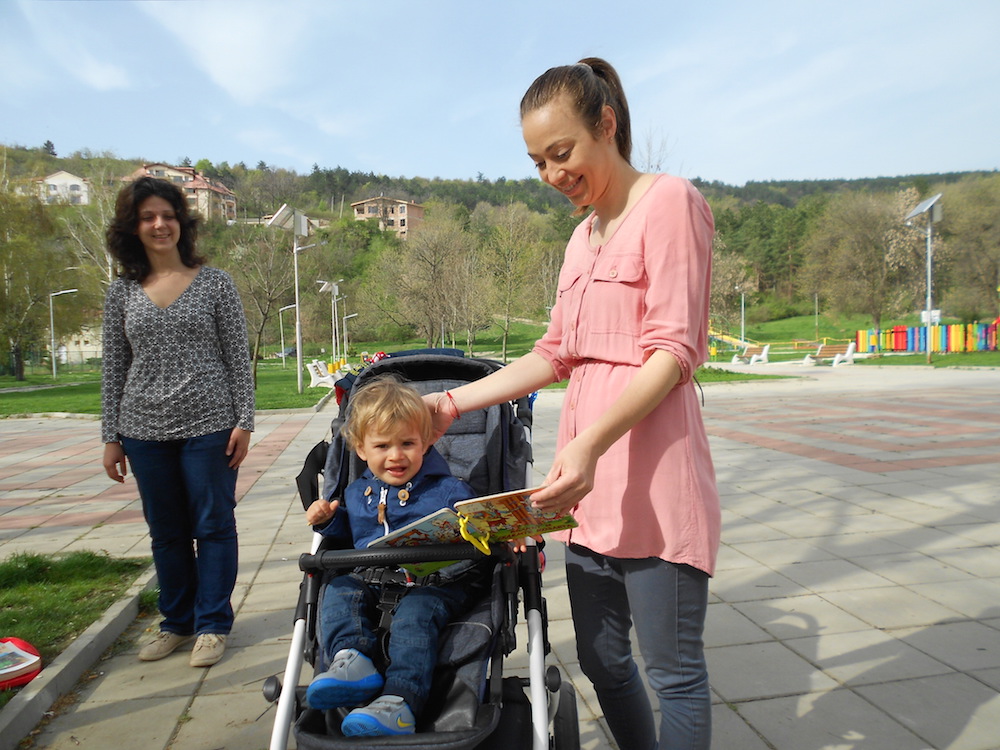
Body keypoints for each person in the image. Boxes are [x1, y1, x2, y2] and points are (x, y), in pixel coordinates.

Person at [425, 58, 719, 750]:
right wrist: (449, 404)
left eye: (562, 153)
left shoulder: (670, 202)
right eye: (537, 163)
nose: (553, 175)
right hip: (584, 490)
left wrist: (590, 445)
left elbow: (674, 353)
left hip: (650, 476)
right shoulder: (580, 239)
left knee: (672, 672)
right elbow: (555, 353)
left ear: (606, 126)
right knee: (601, 660)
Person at [101, 176, 255, 669]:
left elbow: (237, 358)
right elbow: (113, 367)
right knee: (166, 532)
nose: (159, 224)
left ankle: (212, 624)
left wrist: (245, 420)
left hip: (210, 425)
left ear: (180, 223)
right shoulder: (121, 292)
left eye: (167, 215)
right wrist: (111, 437)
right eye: (148, 217)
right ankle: (176, 622)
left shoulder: (215, 283)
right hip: (142, 431)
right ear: (134, 227)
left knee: (212, 525)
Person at [304, 375, 491, 738]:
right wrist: (329, 521)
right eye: (382, 445)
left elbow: (481, 527)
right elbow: (348, 538)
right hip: (370, 578)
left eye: (407, 443)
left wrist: (505, 536)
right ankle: (352, 660)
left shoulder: (449, 490)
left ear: (426, 443)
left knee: (414, 617)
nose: (396, 455)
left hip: (437, 582)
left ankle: (400, 702)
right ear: (360, 448)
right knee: (339, 590)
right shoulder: (358, 493)